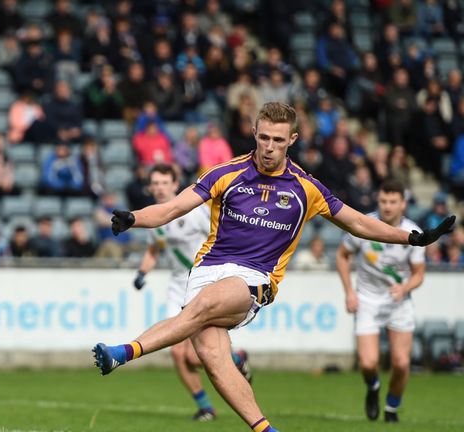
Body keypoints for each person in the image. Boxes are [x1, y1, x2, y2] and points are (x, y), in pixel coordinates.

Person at [91, 102, 454, 432]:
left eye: (277, 140)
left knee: (204, 306)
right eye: (263, 137)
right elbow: (173, 207)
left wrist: (411, 238)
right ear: (254, 133)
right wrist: (134, 218)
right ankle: (266, 430)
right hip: (206, 269)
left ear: (292, 140)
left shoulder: (306, 188)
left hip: (254, 277)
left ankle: (124, 352)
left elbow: (358, 222)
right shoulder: (225, 173)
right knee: (213, 357)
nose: (268, 147)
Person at [133, 164, 220, 421]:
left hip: (202, 284)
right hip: (176, 287)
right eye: (155, 183)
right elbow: (154, 250)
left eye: (164, 183)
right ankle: (206, 407)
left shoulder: (194, 211)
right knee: (177, 352)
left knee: (196, 356)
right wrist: (142, 273)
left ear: (175, 184)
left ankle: (236, 359)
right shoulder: (153, 219)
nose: (159, 188)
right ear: (150, 187)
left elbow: (217, 236)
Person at [335, 180, 426, 423]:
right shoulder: (364, 224)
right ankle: (373, 386)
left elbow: (419, 274)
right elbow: (342, 256)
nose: (387, 206)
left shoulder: (413, 233)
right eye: (383, 201)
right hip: (367, 299)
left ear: (403, 204)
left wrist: (405, 287)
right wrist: (349, 292)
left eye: (393, 202)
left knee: (401, 363)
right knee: (368, 363)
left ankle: (391, 408)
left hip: (399, 302)